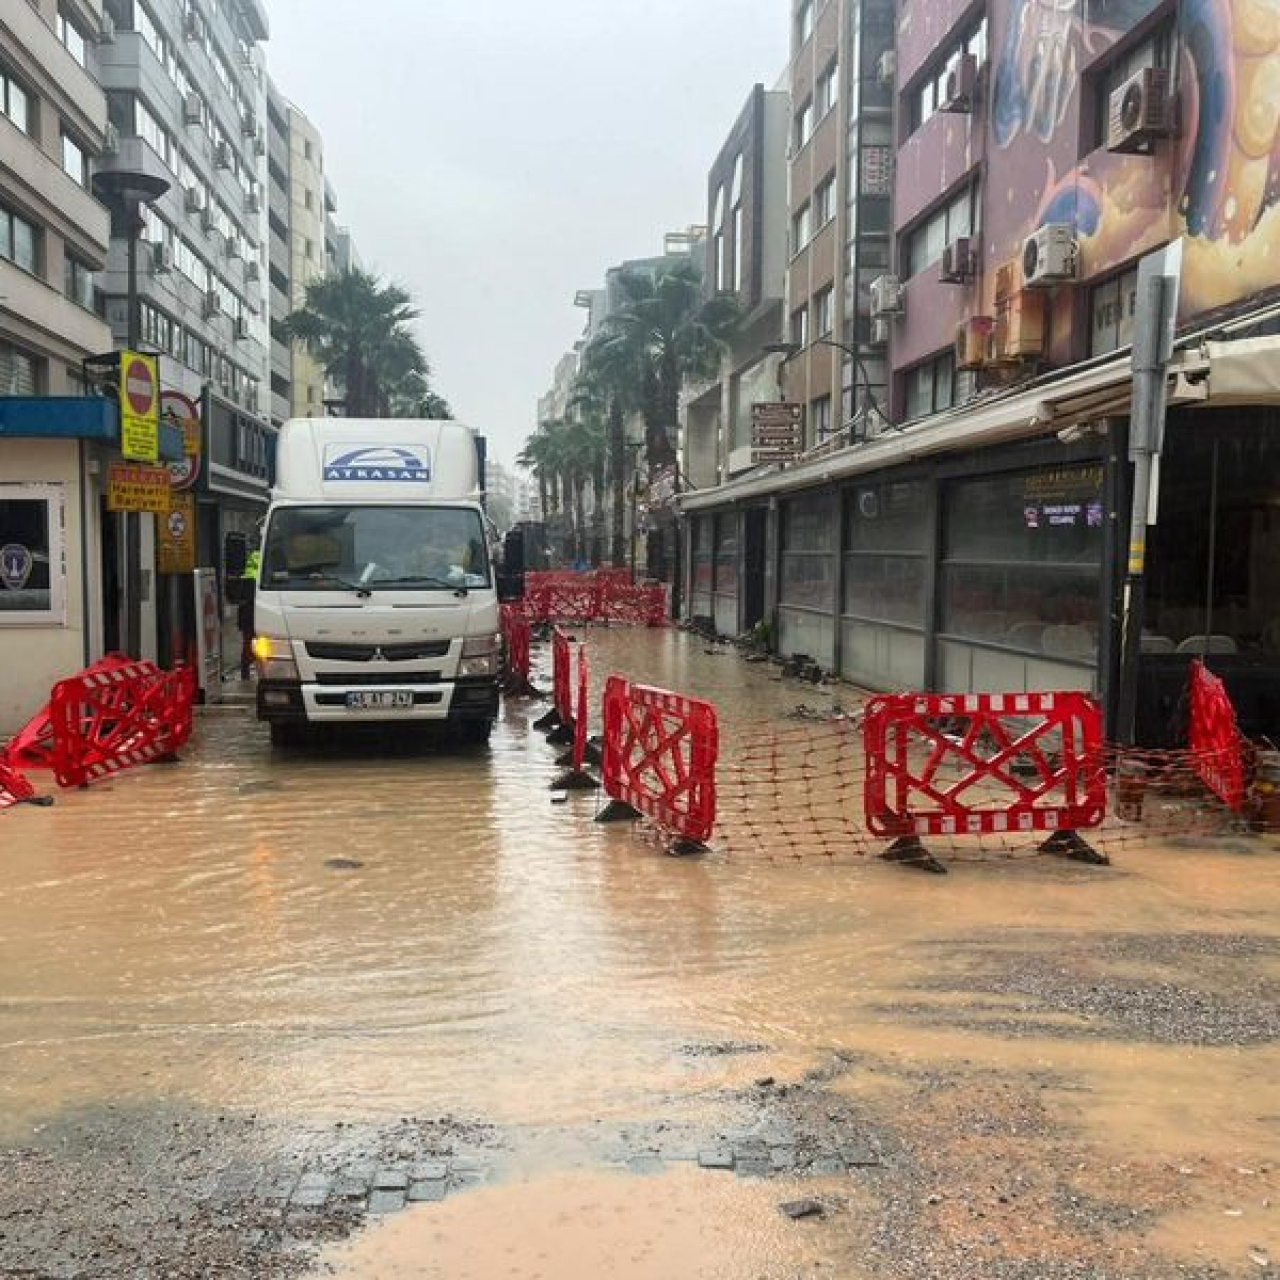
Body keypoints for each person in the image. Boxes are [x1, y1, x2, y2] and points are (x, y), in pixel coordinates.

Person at [238, 548, 260, 680]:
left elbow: (241, 600)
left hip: (247, 617)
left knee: (247, 644)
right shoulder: (262, 576)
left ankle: (245, 674)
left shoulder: (246, 577)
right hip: (257, 616)